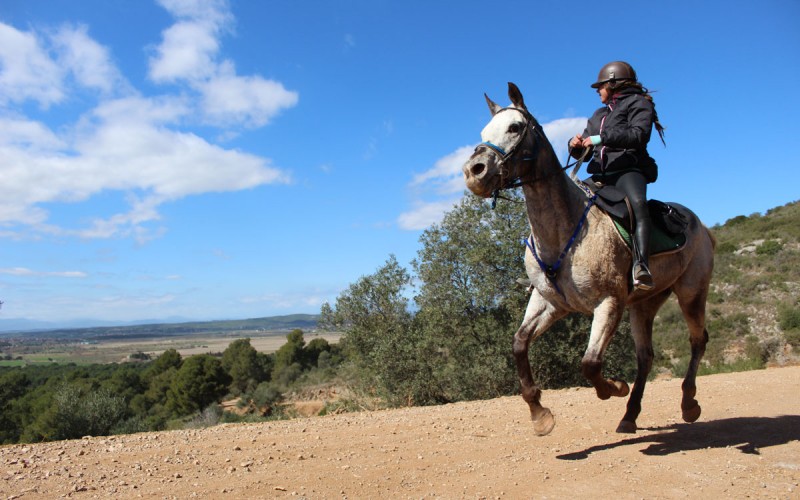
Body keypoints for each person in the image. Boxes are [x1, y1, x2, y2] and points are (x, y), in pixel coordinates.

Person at [569, 61, 665, 291]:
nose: (597, 91)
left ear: (613, 83)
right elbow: (585, 145)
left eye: (600, 86)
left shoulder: (639, 104)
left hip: (628, 171)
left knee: (638, 205)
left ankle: (641, 265)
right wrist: (575, 145)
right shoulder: (598, 114)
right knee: (567, 204)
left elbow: (638, 135)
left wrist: (601, 138)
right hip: (600, 174)